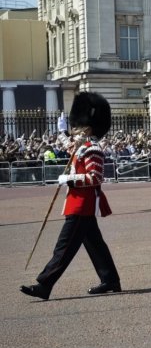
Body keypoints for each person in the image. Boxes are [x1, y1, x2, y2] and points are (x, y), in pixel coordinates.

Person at [21, 92, 121, 300]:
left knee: (64, 247)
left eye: (77, 128)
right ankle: (110, 279)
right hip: (78, 203)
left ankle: (44, 285)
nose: (73, 132)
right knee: (95, 245)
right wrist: (60, 131)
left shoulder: (92, 149)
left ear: (88, 128)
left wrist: (70, 179)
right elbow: (68, 144)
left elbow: (95, 177)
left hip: (82, 205)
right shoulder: (81, 147)